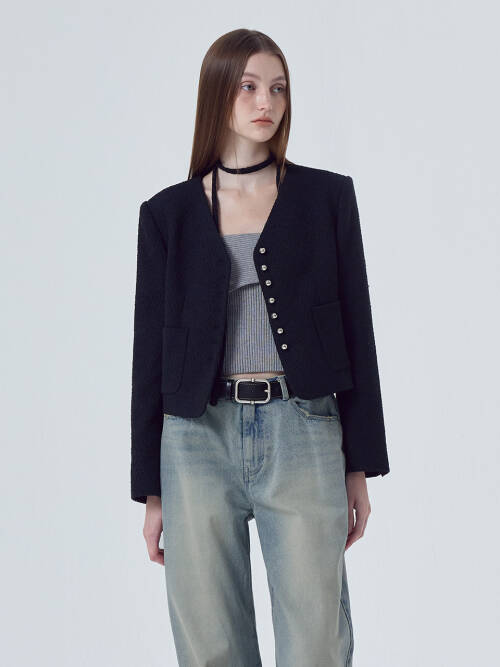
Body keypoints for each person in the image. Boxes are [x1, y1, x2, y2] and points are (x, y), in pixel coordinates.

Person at [131, 28, 390, 667]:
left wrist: (359, 464)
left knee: (315, 643)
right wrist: (151, 490)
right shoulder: (166, 215)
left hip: (303, 431)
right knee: (210, 645)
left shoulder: (327, 198)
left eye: (277, 88)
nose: (265, 102)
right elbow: (149, 358)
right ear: (217, 93)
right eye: (247, 87)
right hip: (195, 441)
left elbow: (357, 330)